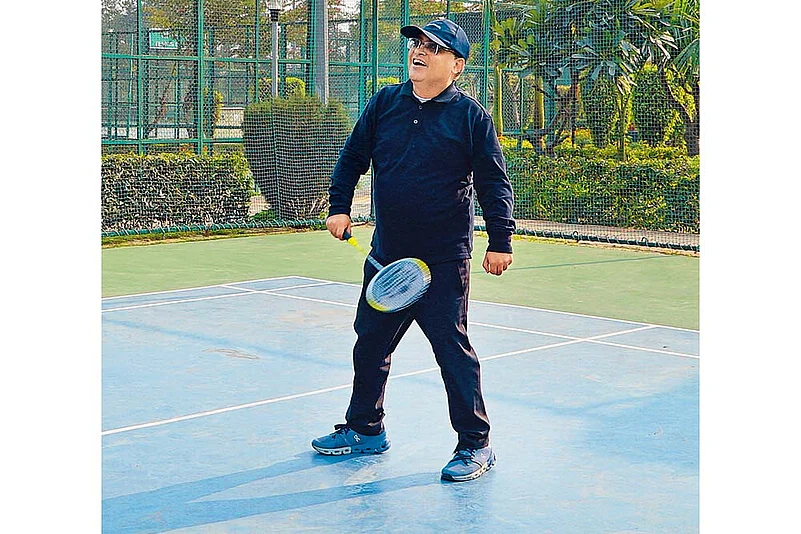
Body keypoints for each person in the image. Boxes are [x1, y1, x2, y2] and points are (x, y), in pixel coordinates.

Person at [312, 19, 516, 482]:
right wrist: (339, 206)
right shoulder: (385, 102)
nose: (419, 52)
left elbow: (493, 182)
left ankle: (475, 445)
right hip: (388, 256)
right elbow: (352, 157)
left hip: (443, 260)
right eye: (417, 44)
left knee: (451, 351)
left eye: (434, 48)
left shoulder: (471, 117)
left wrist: (500, 240)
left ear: (457, 65)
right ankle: (365, 429)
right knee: (370, 345)